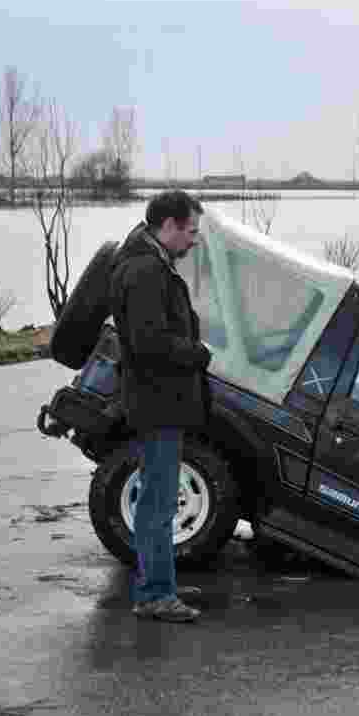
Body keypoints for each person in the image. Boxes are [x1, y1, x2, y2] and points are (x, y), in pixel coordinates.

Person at [110, 190, 212, 622]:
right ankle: (154, 594)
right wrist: (197, 352)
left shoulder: (148, 263)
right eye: (191, 231)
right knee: (157, 503)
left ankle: (160, 579)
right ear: (167, 226)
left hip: (158, 401)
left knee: (159, 498)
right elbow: (149, 342)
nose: (195, 240)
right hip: (157, 403)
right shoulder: (146, 271)